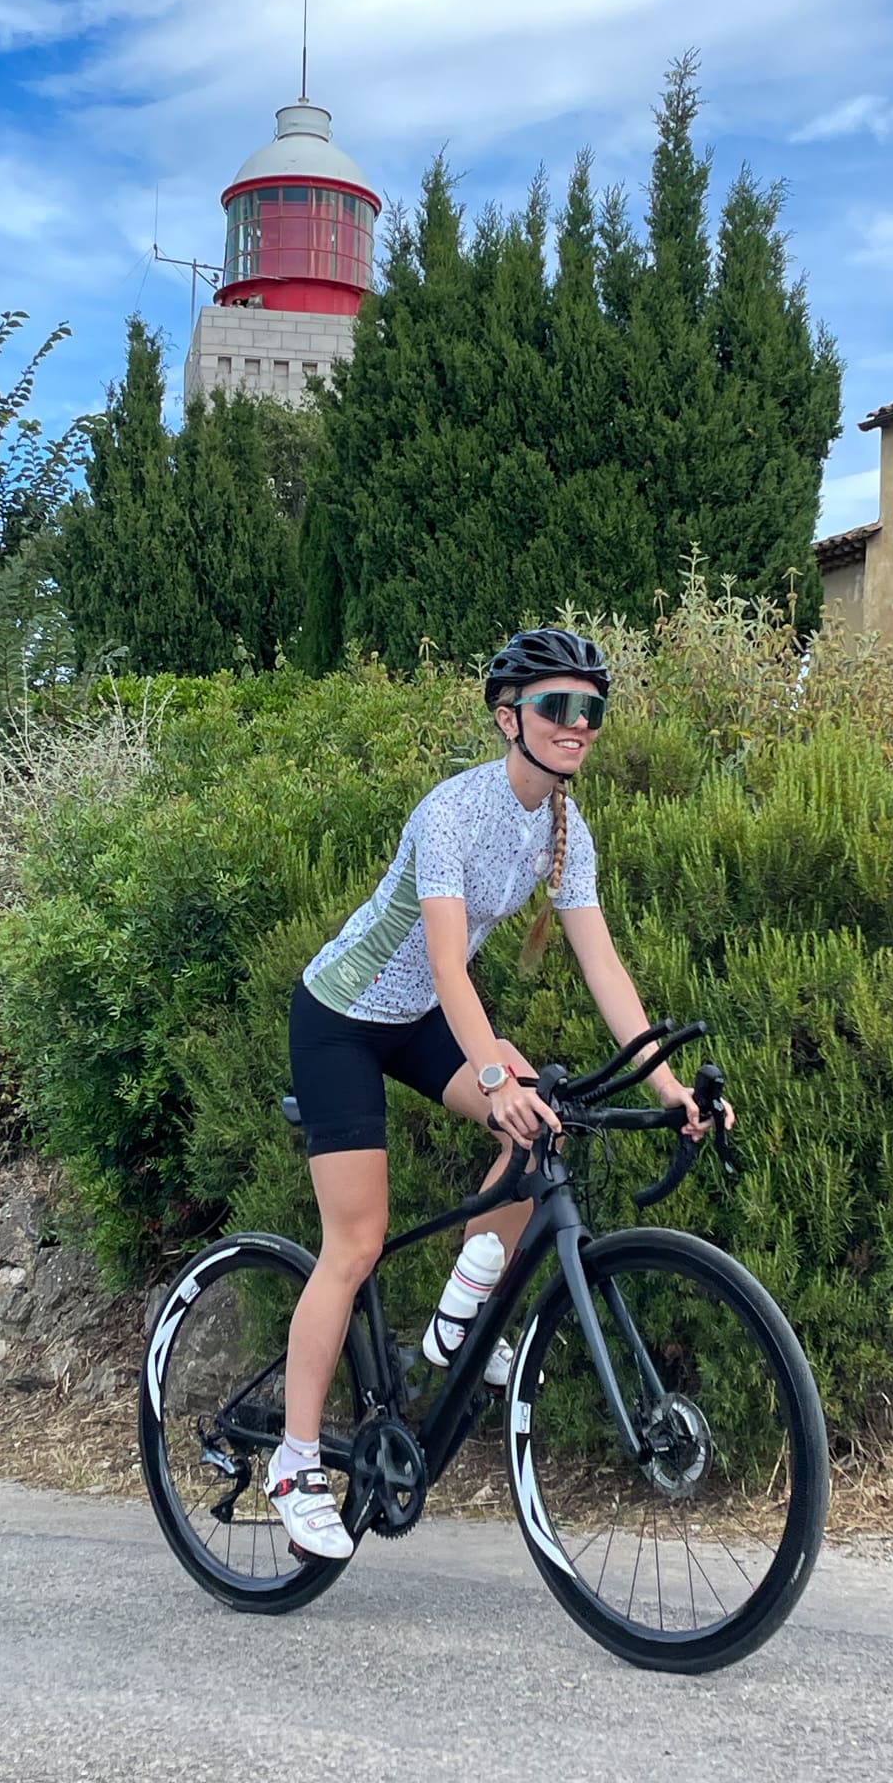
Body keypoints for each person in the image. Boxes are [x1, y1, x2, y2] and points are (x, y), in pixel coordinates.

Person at [267, 625, 732, 1557]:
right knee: (355, 1242)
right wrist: (491, 1073)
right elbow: (448, 963)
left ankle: (459, 1322)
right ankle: (295, 1460)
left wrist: (669, 1084)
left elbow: (604, 967)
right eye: (558, 705)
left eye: (592, 709)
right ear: (508, 719)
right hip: (341, 1018)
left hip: (418, 1018)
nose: (578, 723)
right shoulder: (452, 812)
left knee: (539, 1126)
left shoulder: (565, 831)